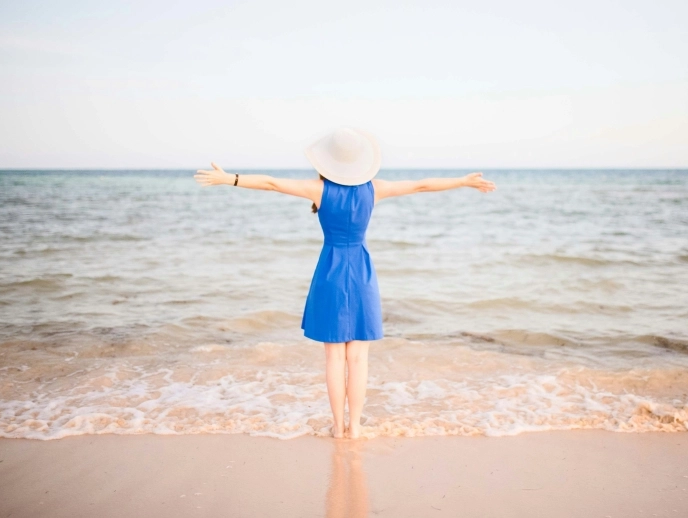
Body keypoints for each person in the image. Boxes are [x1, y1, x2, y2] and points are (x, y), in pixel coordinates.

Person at [194, 127, 496, 439]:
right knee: (359, 357)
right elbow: (420, 185)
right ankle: (355, 428)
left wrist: (229, 179)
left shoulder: (318, 190)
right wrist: (463, 181)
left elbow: (271, 184)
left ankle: (337, 428)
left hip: (330, 271)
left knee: (334, 357)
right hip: (362, 271)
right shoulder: (374, 189)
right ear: (361, 163)